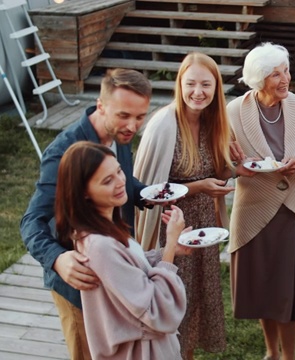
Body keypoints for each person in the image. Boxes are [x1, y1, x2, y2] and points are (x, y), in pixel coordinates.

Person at [20, 69, 152, 359]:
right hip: (79, 288)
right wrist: (56, 259)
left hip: (115, 271)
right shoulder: (64, 152)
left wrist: (150, 194)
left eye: (140, 117)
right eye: (124, 115)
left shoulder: (120, 134)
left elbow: (123, 183)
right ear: (101, 105)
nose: (132, 126)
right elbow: (32, 221)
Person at [134, 52, 251, 359]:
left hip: (203, 228)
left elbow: (218, 171)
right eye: (191, 84)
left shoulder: (215, 122)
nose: (198, 92)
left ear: (216, 88)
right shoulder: (163, 125)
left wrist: (237, 168)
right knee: (171, 299)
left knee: (196, 299)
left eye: (206, 85)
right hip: (170, 227)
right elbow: (147, 192)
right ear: (180, 85)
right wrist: (197, 187)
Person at [226, 42, 295, 360]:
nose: (285, 79)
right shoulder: (232, 112)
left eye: (286, 71)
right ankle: (271, 352)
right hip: (253, 211)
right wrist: (235, 166)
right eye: (275, 74)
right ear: (258, 80)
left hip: (294, 210)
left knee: (290, 293)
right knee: (262, 289)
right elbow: (226, 165)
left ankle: (289, 356)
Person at [55, 141, 187, 359]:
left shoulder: (106, 227)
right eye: (107, 181)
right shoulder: (100, 245)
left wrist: (169, 250)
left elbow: (129, 272)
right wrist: (171, 244)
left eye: (119, 171)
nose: (120, 183)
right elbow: (155, 308)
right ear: (84, 193)